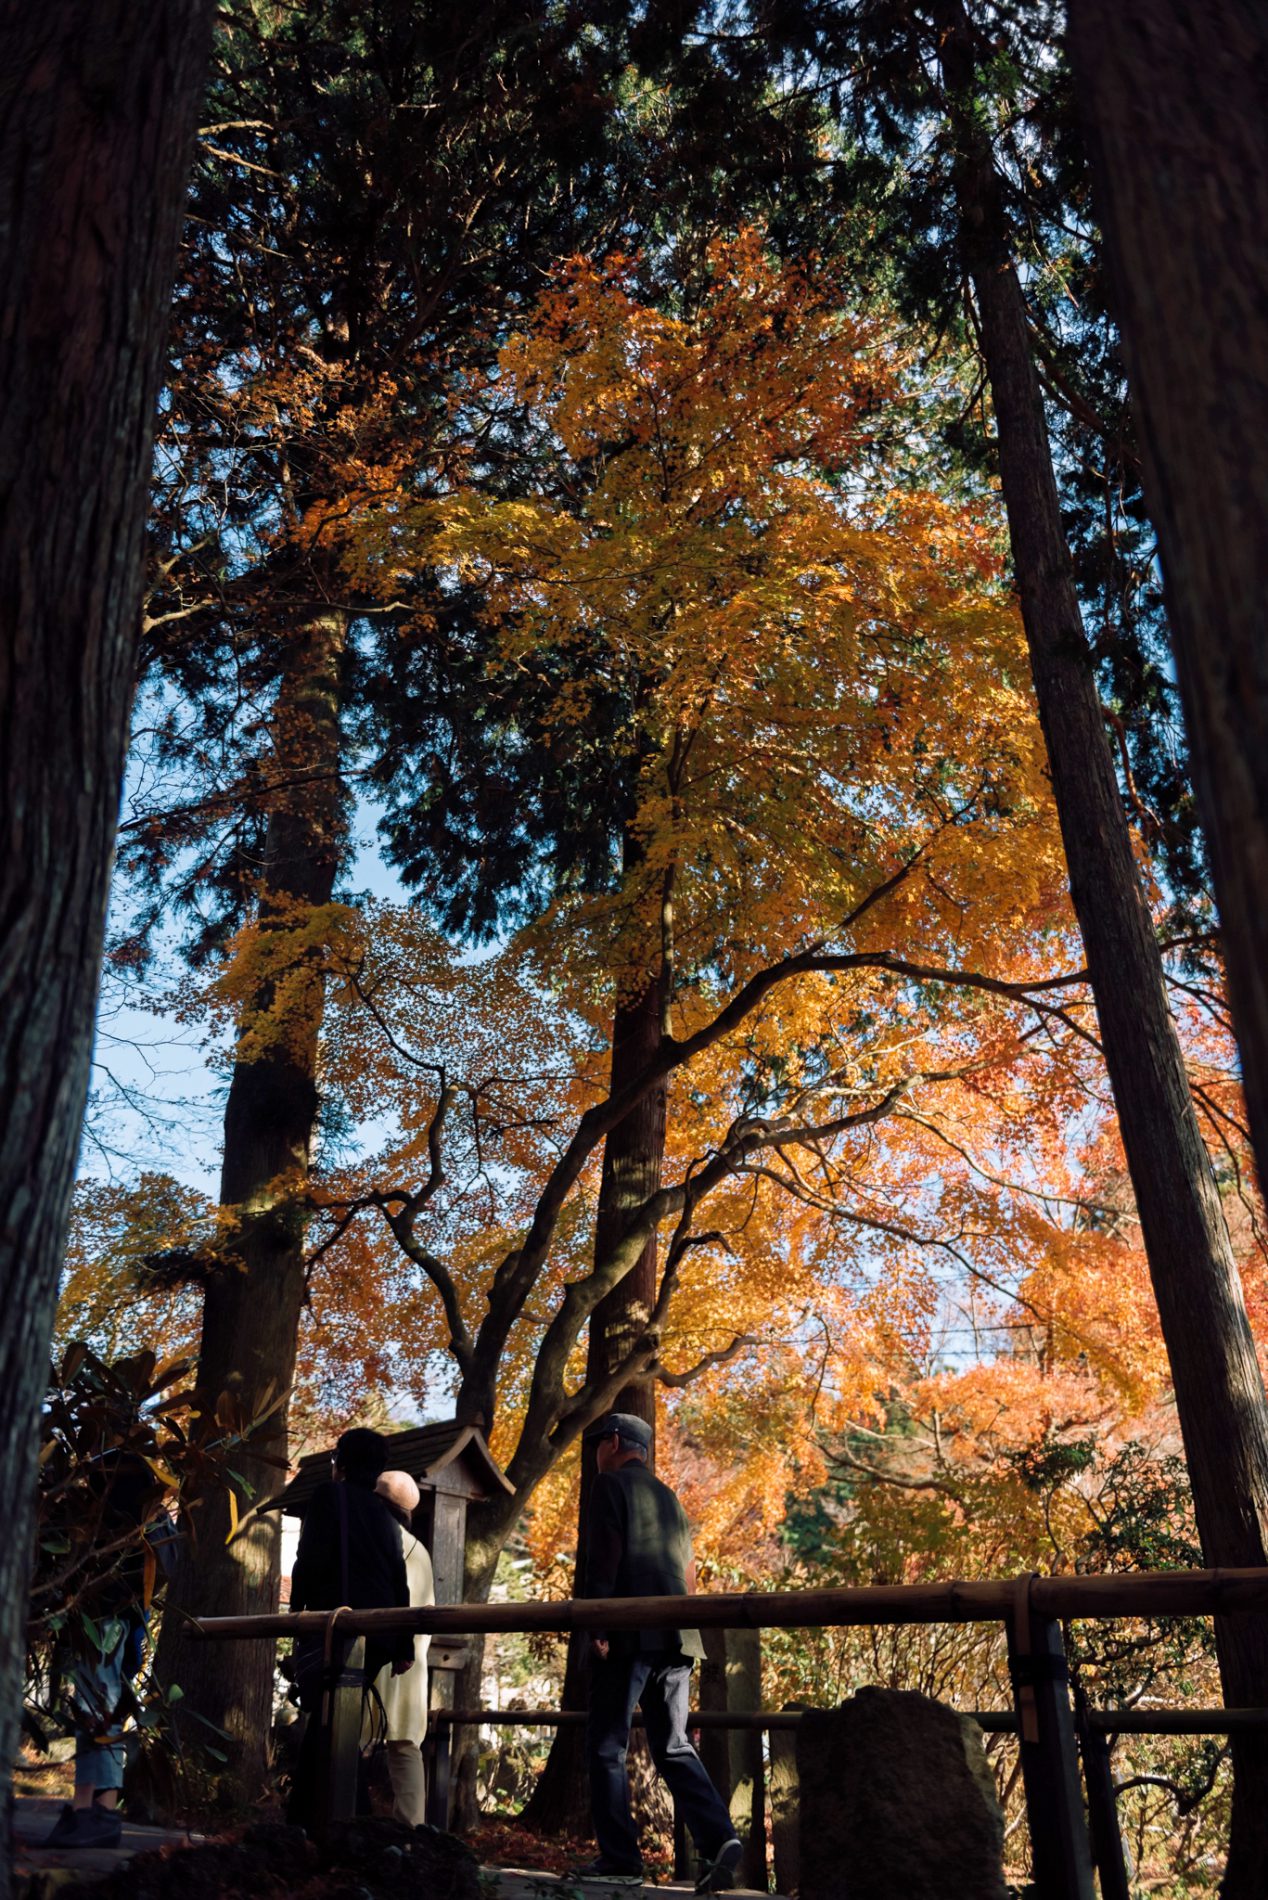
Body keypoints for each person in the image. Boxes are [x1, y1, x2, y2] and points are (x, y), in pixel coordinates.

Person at [579, 1411, 742, 1894]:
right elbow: (689, 1573)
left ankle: (620, 1859)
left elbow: (603, 1557)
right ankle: (720, 1839)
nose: (595, 1457)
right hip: (678, 1635)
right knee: (672, 1745)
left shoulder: (610, 1487)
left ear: (612, 1442)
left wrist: (597, 1621)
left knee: (605, 1745)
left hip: (629, 1633)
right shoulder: (671, 1498)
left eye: (596, 1446)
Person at [44, 1451, 175, 1850]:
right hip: (121, 1623)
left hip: (104, 1622)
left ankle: (99, 1811)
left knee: (98, 1711)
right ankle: (88, 1808)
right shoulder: (149, 1507)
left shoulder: (119, 1501)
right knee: (97, 1711)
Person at [287, 1426, 414, 1831]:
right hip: (379, 1633)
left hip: (336, 1626)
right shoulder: (386, 1515)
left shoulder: (329, 1497)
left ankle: (323, 1819)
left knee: (327, 1722)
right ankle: (338, 1815)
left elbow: (308, 1560)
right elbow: (398, 1579)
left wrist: (296, 1617)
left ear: (340, 1462)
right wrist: (403, 1644)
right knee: (339, 1723)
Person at [366, 1468, 434, 1825]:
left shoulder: (372, 1538)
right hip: (411, 1662)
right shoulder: (419, 1550)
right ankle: (413, 1830)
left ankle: (339, 1821)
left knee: (349, 1738)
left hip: (374, 1654)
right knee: (406, 1747)